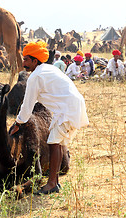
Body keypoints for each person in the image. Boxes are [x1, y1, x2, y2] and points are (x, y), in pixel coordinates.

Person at [9, 40, 89, 194]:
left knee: (53, 143)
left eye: (26, 59)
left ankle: (51, 184)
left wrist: (18, 122)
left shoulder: (35, 76)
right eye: (23, 58)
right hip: (68, 107)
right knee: (56, 142)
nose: (24, 62)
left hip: (67, 109)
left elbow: (27, 106)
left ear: (35, 60)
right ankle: (55, 182)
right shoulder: (47, 69)